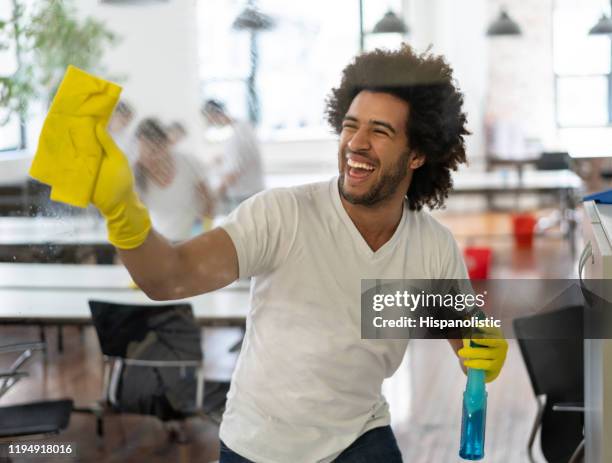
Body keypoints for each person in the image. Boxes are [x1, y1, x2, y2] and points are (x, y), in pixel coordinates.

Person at [87, 45, 507, 462]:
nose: (355, 144)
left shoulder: (432, 246)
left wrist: (484, 348)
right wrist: (122, 209)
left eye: (379, 131)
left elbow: (466, 337)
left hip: (359, 434)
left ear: (417, 154)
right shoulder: (281, 215)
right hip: (261, 444)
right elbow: (168, 277)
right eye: (350, 125)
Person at [133, 117, 214, 242]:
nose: (147, 159)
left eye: (153, 151)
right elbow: (136, 219)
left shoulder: (188, 163)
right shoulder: (136, 175)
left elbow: (209, 202)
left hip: (192, 240)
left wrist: (203, 234)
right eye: (142, 152)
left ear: (166, 145)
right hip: (160, 243)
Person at [202, 99, 264, 211]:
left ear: (214, 114)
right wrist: (222, 158)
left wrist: (213, 196)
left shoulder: (236, 138)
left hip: (242, 196)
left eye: (209, 120)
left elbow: (233, 174)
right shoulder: (244, 127)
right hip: (253, 191)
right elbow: (242, 158)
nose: (210, 123)